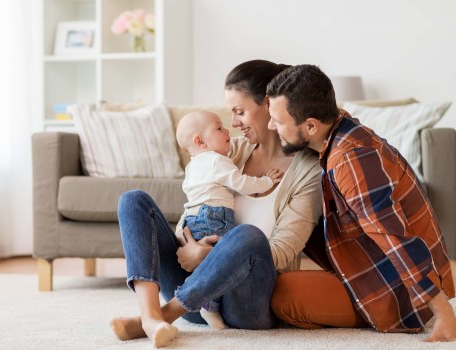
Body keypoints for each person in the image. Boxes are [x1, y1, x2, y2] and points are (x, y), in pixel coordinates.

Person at [109, 60, 322, 348]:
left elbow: (283, 253)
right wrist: (190, 242)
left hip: (248, 305)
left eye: (239, 112)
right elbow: (197, 203)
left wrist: (209, 256)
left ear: (270, 105)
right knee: (133, 201)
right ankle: (149, 318)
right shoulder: (229, 148)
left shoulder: (308, 171)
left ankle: (167, 314)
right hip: (199, 299)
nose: (233, 123)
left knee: (247, 235)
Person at [266, 64, 456, 342]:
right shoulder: (340, 131)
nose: (271, 126)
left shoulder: (350, 159)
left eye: (278, 121)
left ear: (310, 125)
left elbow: (392, 236)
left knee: (282, 296)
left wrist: (443, 312)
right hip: (373, 267)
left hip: (398, 293)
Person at [176, 110, 283, 329]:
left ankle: (197, 287)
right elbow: (241, 183)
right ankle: (206, 301)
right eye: (219, 128)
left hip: (192, 219)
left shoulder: (192, 166)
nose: (228, 130)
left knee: (211, 262)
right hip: (214, 218)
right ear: (200, 141)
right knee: (226, 260)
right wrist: (265, 182)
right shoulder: (216, 161)